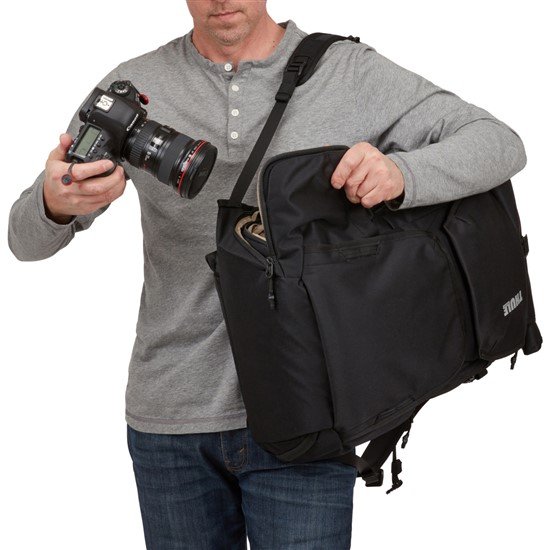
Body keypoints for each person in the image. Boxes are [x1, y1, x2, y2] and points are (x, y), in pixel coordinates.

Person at [8, 1, 527, 548]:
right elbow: (24, 241)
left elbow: (500, 143)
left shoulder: (347, 72)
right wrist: (55, 203)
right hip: (170, 418)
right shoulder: (135, 86)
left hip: (309, 411)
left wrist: (402, 174)